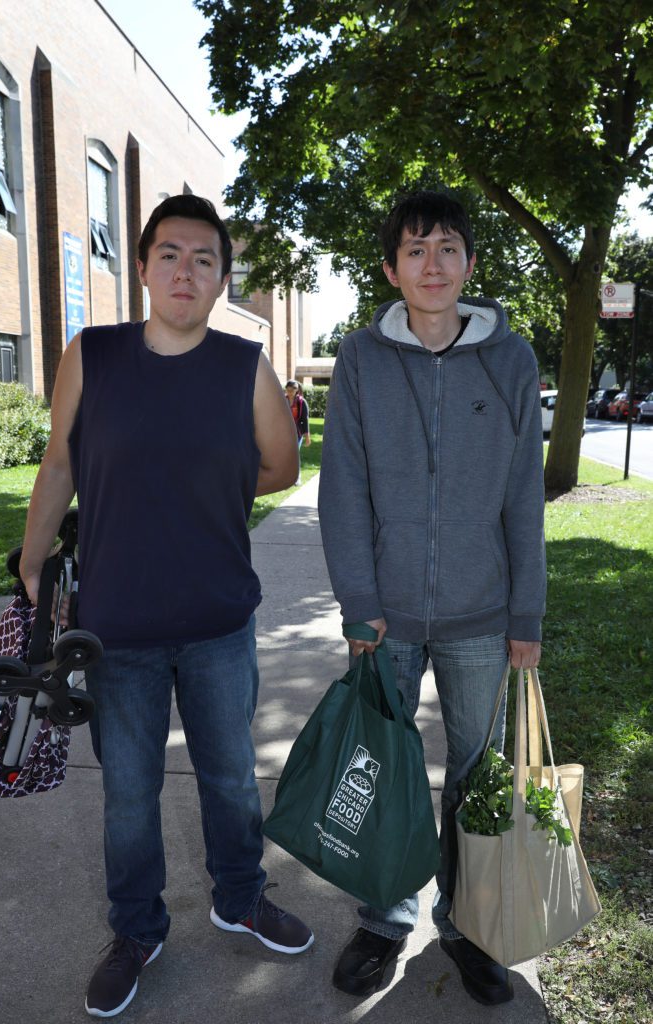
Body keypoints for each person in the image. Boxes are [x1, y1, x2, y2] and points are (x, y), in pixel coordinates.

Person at [19, 195, 314, 1019]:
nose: (187, 271)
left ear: (222, 277)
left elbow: (280, 467)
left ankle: (240, 896)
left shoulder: (243, 365)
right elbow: (57, 467)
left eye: (205, 259)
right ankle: (137, 931)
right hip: (118, 629)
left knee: (228, 781)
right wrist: (34, 562)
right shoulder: (93, 354)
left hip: (219, 622)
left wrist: (200, 486)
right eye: (171, 254)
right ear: (143, 265)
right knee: (127, 795)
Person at [318, 190, 545, 1006]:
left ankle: (469, 923)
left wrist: (526, 615)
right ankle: (385, 919)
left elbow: (522, 494)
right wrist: (357, 602)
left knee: (477, 777)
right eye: (414, 250)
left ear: (471, 265)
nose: (433, 264)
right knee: (381, 773)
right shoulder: (360, 360)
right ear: (390, 269)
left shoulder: (510, 360)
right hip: (385, 618)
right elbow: (342, 490)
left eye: (448, 247)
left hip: (483, 619)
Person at [284, 379, 311, 484]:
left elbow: (305, 419)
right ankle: (286, 477)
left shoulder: (301, 402)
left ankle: (297, 477)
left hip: (297, 433)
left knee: (295, 454)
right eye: (288, 389)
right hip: (284, 432)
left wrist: (307, 436)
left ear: (296, 390)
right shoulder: (283, 400)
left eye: (292, 390)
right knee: (285, 455)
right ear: (286, 389)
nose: (290, 392)